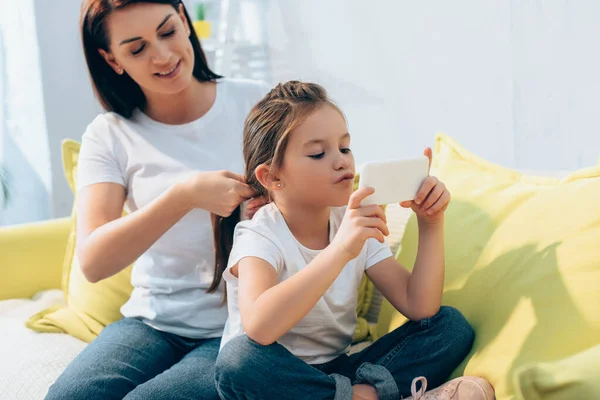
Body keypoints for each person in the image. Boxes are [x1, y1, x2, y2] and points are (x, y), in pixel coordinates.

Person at [212, 81, 495, 400]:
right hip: (279, 375)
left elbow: (420, 307)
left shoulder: (353, 219)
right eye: (318, 153)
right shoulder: (259, 234)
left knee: (450, 326)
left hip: (342, 372)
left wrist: (430, 222)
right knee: (237, 362)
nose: (342, 161)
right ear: (272, 177)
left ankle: (358, 395)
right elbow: (259, 327)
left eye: (344, 148)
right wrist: (341, 250)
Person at [45, 1, 270, 399]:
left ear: (184, 21)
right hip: (152, 323)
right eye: (137, 48)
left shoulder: (259, 105)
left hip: (239, 325)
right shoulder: (110, 135)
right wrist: (182, 196)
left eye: (167, 32)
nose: (162, 56)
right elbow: (94, 262)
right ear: (111, 59)